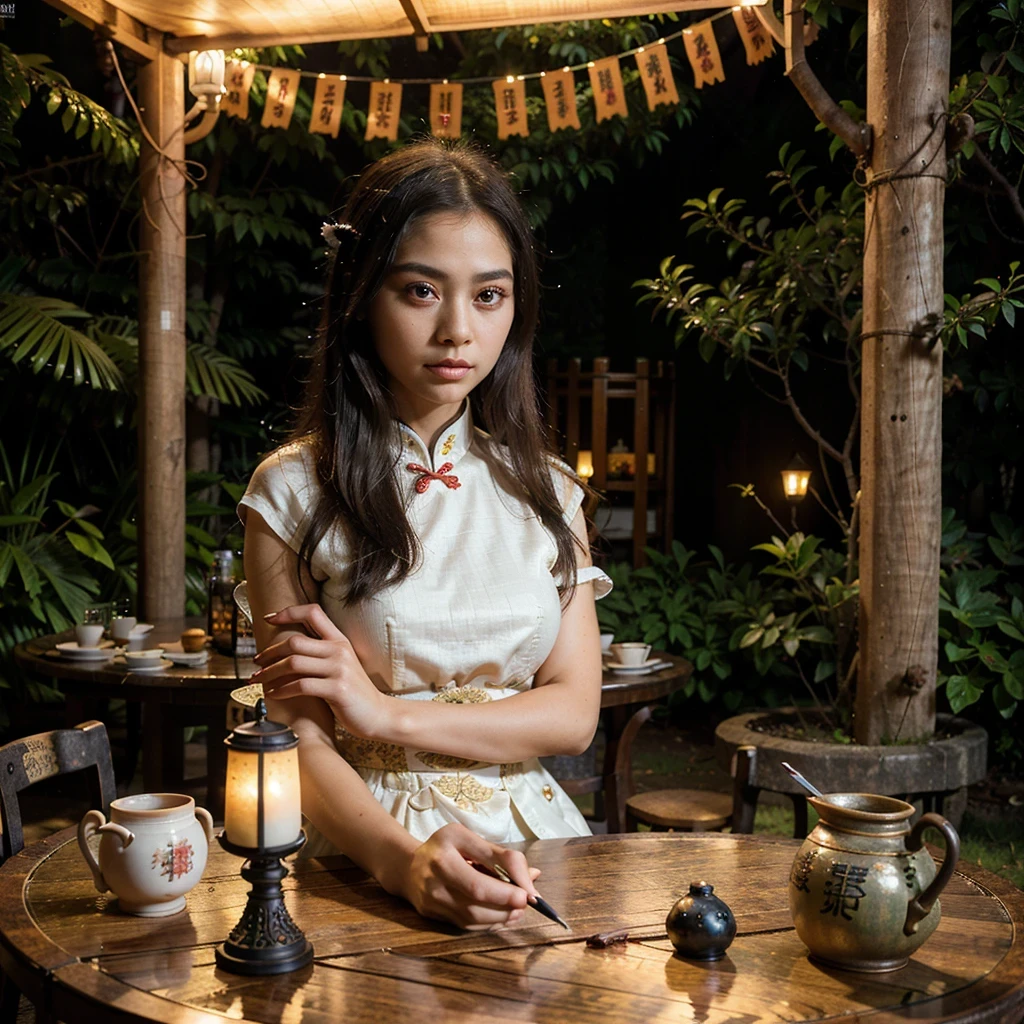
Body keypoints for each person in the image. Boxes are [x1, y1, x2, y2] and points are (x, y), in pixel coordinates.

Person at [237, 139, 612, 932]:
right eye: (419, 290)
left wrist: (382, 714)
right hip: (368, 850)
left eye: (488, 296)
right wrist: (403, 865)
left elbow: (574, 714)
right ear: (362, 296)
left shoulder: (548, 489)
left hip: (540, 845)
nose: (457, 331)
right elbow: (297, 744)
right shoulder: (291, 493)